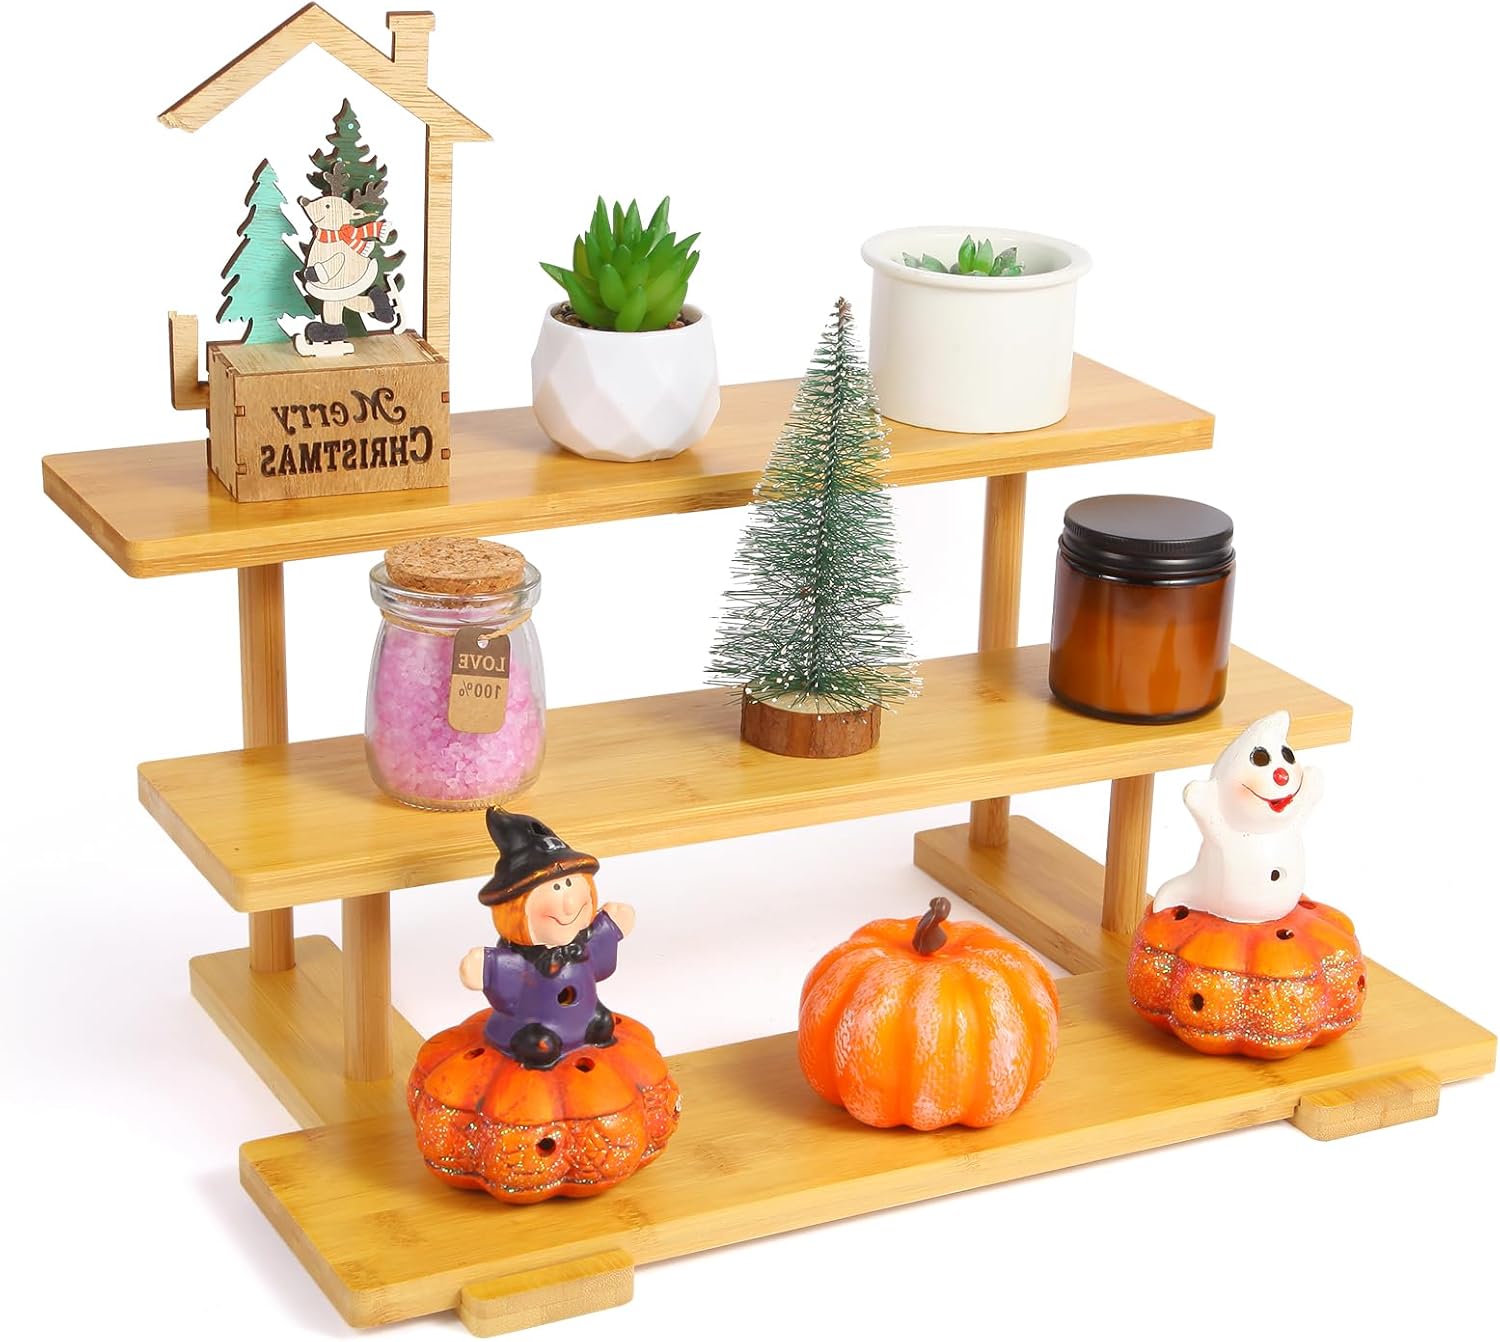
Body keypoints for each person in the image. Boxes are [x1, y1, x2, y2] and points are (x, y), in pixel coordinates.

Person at [458, 810, 636, 1069]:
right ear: (516, 909)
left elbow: (599, 957)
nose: (570, 903)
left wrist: (612, 925)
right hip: (534, 1026)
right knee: (541, 1045)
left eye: (570, 884)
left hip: (586, 1016)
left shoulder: (583, 942)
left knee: (602, 1023)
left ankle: (589, 1026)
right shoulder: (520, 960)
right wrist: (484, 968)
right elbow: (504, 972)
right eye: (556, 887)